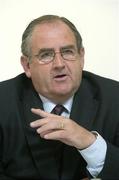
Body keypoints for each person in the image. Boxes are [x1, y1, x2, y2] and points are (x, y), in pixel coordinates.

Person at [0, 14, 119, 180]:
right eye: (46, 55)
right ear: (27, 65)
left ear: (81, 57)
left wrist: (90, 143)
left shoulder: (115, 98)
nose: (59, 64)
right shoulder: (3, 102)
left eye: (67, 52)